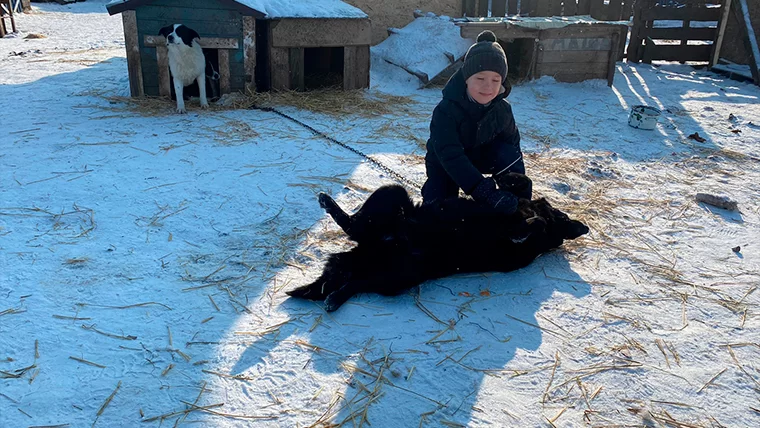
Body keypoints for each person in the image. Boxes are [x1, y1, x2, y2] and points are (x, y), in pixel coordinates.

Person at [422, 30, 531, 214]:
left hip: (481, 156)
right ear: (466, 79)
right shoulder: (446, 110)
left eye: (495, 80)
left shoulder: (503, 110)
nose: (488, 86)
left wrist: (517, 195)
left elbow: (513, 151)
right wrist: (483, 191)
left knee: (507, 153)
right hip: (445, 162)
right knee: (439, 209)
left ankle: (516, 210)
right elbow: (450, 154)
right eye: (480, 78)